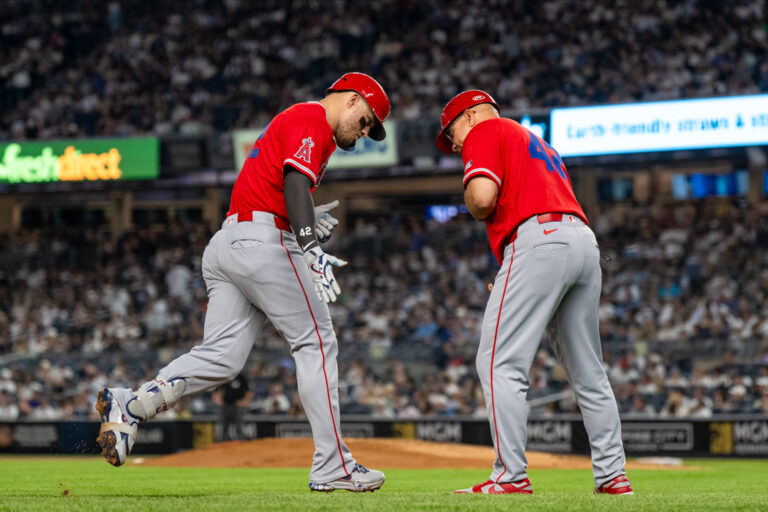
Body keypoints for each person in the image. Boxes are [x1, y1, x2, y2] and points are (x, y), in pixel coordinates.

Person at [95, 72, 390, 493]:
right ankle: (332, 466)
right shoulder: (312, 117)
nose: (364, 132)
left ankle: (133, 404)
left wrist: (302, 218)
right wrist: (307, 243)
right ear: (351, 99)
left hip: (230, 241)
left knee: (223, 357)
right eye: (366, 121)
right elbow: (294, 181)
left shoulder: (299, 122)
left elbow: (283, 187)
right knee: (317, 342)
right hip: (262, 242)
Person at [436, 90, 632, 495]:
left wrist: (469, 203)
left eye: (452, 130)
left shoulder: (485, 131)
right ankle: (614, 478)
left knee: (498, 362)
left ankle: (510, 476)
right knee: (589, 373)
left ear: (470, 116)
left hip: (539, 240)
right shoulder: (537, 142)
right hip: (582, 243)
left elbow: (483, 198)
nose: (453, 142)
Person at [212, 372, 253, 441]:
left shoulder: (241, 377)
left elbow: (249, 391)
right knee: (225, 423)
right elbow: (217, 389)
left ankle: (241, 439)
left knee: (239, 423)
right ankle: (224, 440)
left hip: (237, 405)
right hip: (226, 404)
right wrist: (218, 400)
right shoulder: (227, 376)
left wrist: (244, 401)